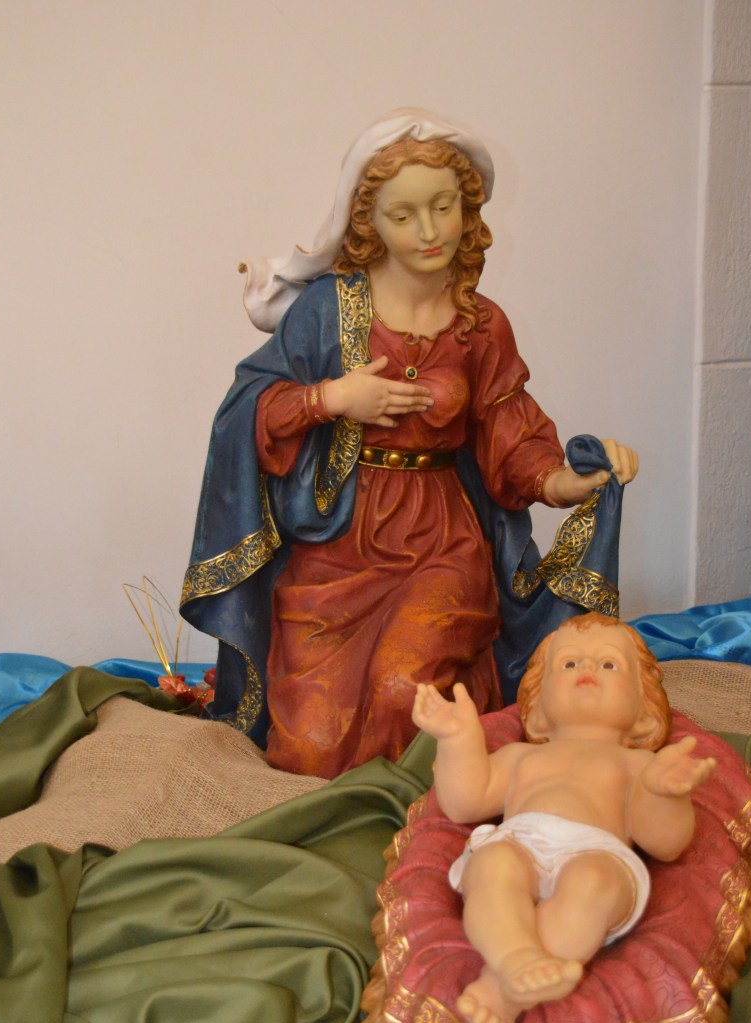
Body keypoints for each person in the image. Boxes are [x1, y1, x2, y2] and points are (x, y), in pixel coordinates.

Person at [181, 109, 638, 779]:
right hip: (337, 543)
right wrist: (332, 398)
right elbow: (247, 408)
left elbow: (507, 425)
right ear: (370, 222)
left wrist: (564, 482)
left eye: (443, 208)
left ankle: (441, 785)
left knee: (405, 693)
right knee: (308, 748)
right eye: (404, 215)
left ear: (467, 208)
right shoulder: (328, 310)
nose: (428, 231)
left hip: (440, 541)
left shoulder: (481, 325)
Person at [412, 613, 716, 1023]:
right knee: (493, 863)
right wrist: (457, 741)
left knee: (594, 883)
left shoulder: (637, 764)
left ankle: (501, 990)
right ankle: (515, 956)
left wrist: (664, 792)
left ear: (644, 711)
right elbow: (464, 803)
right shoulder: (522, 756)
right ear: (537, 705)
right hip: (520, 843)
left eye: (609, 664)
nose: (587, 669)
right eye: (569, 663)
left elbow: (665, 843)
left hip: (597, 854)